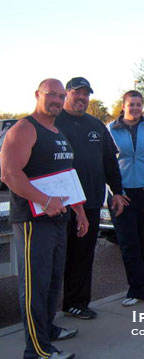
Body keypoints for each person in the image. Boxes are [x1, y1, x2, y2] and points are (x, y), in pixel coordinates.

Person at [1, 78, 89, 359]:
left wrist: (79, 210)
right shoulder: (25, 128)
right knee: (34, 285)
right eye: (51, 94)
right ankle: (36, 350)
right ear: (38, 94)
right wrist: (44, 201)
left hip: (57, 218)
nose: (57, 100)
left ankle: (48, 330)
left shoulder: (56, 130)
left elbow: (65, 175)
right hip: (32, 221)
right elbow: (9, 173)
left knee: (52, 281)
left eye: (61, 96)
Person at [56, 77, 126, 320]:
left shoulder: (96, 126)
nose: (82, 98)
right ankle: (44, 312)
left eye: (86, 94)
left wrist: (117, 191)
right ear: (66, 94)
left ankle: (76, 303)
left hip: (92, 202)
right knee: (55, 258)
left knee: (83, 256)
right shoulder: (54, 122)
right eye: (77, 93)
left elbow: (110, 162)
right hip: (59, 205)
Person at [108, 90, 144, 306]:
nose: (135, 108)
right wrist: (116, 191)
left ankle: (139, 284)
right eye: (131, 104)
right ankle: (137, 290)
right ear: (123, 106)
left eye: (138, 104)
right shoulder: (111, 130)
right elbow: (105, 163)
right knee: (128, 243)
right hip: (121, 196)